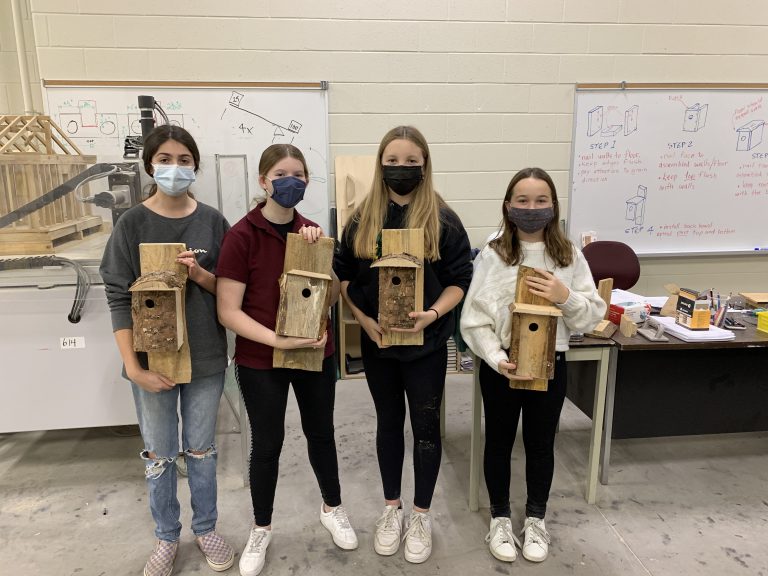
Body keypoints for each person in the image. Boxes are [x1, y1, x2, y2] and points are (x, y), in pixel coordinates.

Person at [216, 144, 357, 576]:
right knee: (268, 444)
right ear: (263, 181)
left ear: (306, 182)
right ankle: (261, 527)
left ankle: (332, 508)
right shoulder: (241, 236)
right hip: (261, 359)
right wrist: (278, 341)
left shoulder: (312, 230)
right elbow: (229, 310)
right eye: (280, 173)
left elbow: (331, 297)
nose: (289, 181)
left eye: (298, 174)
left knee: (321, 434)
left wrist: (323, 260)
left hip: (315, 352)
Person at [334, 126, 473, 564]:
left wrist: (433, 315)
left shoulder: (442, 219)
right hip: (379, 346)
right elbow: (342, 275)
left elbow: (460, 280)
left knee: (427, 429)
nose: (400, 168)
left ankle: (421, 514)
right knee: (389, 425)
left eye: (410, 160)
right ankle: (391, 507)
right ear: (380, 164)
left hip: (427, 347)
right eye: (392, 161)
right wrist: (362, 319)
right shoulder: (362, 218)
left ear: (424, 164)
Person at [100, 124, 234, 576]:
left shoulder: (213, 221)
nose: (174, 168)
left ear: (195, 165)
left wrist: (200, 275)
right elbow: (118, 295)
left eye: (183, 160)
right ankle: (165, 537)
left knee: (200, 450)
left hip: (206, 358)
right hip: (150, 360)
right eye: (165, 160)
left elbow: (231, 290)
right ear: (150, 165)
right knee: (160, 455)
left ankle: (207, 528)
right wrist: (132, 367)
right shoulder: (131, 223)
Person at [460, 167, 605, 564]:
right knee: (500, 441)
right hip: (503, 366)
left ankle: (537, 517)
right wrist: (495, 357)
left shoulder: (568, 255)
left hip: (550, 364)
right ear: (508, 207)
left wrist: (564, 295)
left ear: (554, 206)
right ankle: (500, 517)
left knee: (541, 444)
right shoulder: (495, 253)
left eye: (541, 200)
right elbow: (474, 318)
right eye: (522, 201)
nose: (531, 208)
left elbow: (591, 316)